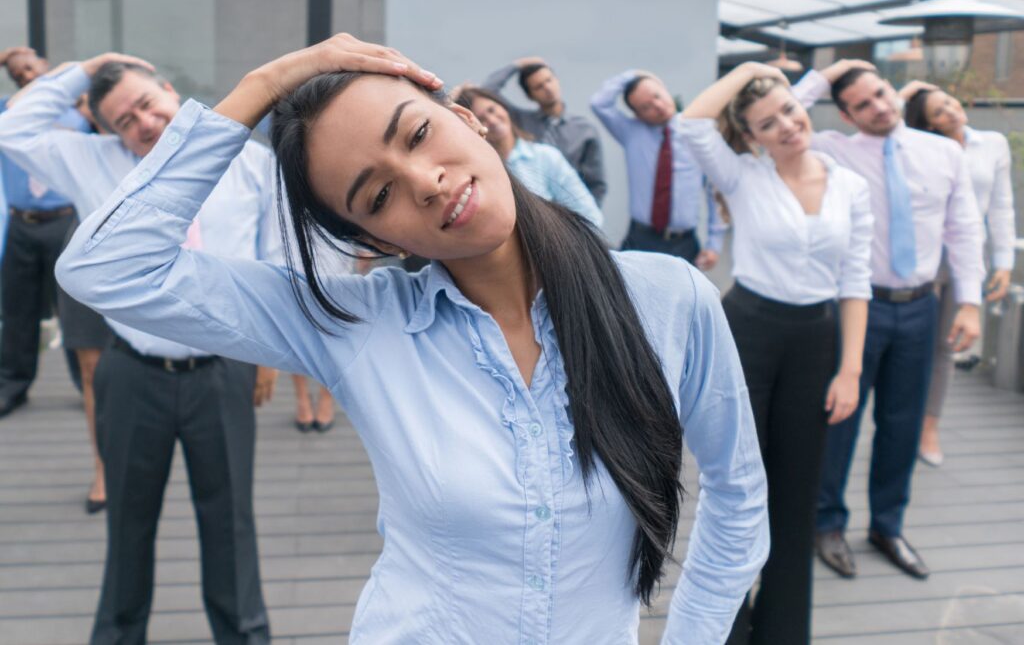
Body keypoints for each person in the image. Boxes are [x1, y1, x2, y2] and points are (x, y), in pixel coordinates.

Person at [57, 33, 769, 643]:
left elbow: (737, 501)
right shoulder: (352, 325)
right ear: (373, 238)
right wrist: (263, 85)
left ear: (466, 117)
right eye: (377, 196)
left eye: (419, 134)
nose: (423, 182)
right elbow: (108, 269)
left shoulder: (667, 299)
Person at [0, 53, 281, 644]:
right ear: (106, 130)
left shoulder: (250, 161)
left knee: (231, 525)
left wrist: (265, 353)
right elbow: (13, 131)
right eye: (124, 120)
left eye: (148, 104)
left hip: (221, 369)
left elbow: (276, 262)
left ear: (170, 90)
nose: (144, 123)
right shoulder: (90, 161)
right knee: (128, 524)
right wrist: (85, 69)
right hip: (131, 371)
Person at [680, 62, 871, 645]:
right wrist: (748, 69)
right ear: (753, 135)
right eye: (768, 122)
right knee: (736, 484)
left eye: (790, 111)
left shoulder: (850, 185)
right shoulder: (742, 176)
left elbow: (855, 281)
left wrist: (850, 369)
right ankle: (727, 627)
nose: (787, 126)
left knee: (797, 488)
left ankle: (785, 631)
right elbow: (691, 125)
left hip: (817, 342)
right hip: (749, 333)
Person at [792, 60, 985, 581]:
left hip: (922, 307)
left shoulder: (943, 151)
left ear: (892, 91)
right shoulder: (831, 149)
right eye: (861, 103)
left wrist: (970, 301)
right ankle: (826, 524)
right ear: (848, 113)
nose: (877, 107)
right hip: (856, 307)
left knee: (902, 424)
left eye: (880, 93)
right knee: (839, 420)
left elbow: (963, 228)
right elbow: (785, 113)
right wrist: (826, 73)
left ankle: (887, 525)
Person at [0, 46, 113, 513]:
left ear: (48, 67)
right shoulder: (11, 114)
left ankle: (79, 383)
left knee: (73, 313)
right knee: (19, 308)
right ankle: (13, 383)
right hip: (23, 221)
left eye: (30, 64)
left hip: (65, 219)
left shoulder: (78, 113)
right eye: (15, 69)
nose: (25, 71)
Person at [901, 81, 1016, 467]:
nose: (950, 111)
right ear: (928, 124)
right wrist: (902, 96)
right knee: (913, 344)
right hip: (922, 258)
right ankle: (902, 419)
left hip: (967, 258)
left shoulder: (994, 143)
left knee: (947, 348)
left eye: (949, 102)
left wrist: (1003, 261)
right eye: (938, 111)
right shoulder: (919, 149)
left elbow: (1001, 205)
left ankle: (929, 425)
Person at [590, 69, 724, 268]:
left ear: (664, 89)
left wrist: (714, 244)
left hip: (683, 243)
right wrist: (634, 74)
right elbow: (599, 103)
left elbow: (716, 192)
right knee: (630, 297)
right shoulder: (631, 132)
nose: (659, 106)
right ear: (637, 114)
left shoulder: (695, 134)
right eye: (646, 107)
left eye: (657, 96)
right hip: (640, 238)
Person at [454, 85, 603, 228]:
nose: (492, 120)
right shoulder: (476, 173)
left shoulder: (546, 157)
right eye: (481, 119)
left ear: (503, 107)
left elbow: (589, 215)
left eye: (492, 110)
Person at [482, 57, 607, 205]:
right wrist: (518, 65)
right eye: (538, 86)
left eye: (549, 80)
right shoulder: (520, 120)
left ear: (557, 80)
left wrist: (584, 220)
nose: (547, 88)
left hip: (571, 209)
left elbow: (596, 183)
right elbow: (486, 92)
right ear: (530, 95)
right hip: (533, 206)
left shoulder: (585, 129)